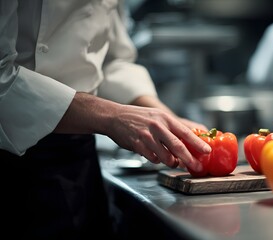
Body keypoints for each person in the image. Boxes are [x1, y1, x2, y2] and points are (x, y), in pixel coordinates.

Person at [0, 0, 211, 239]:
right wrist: (111, 116)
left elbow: (111, 61)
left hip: (79, 157)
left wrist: (166, 119)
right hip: (12, 166)